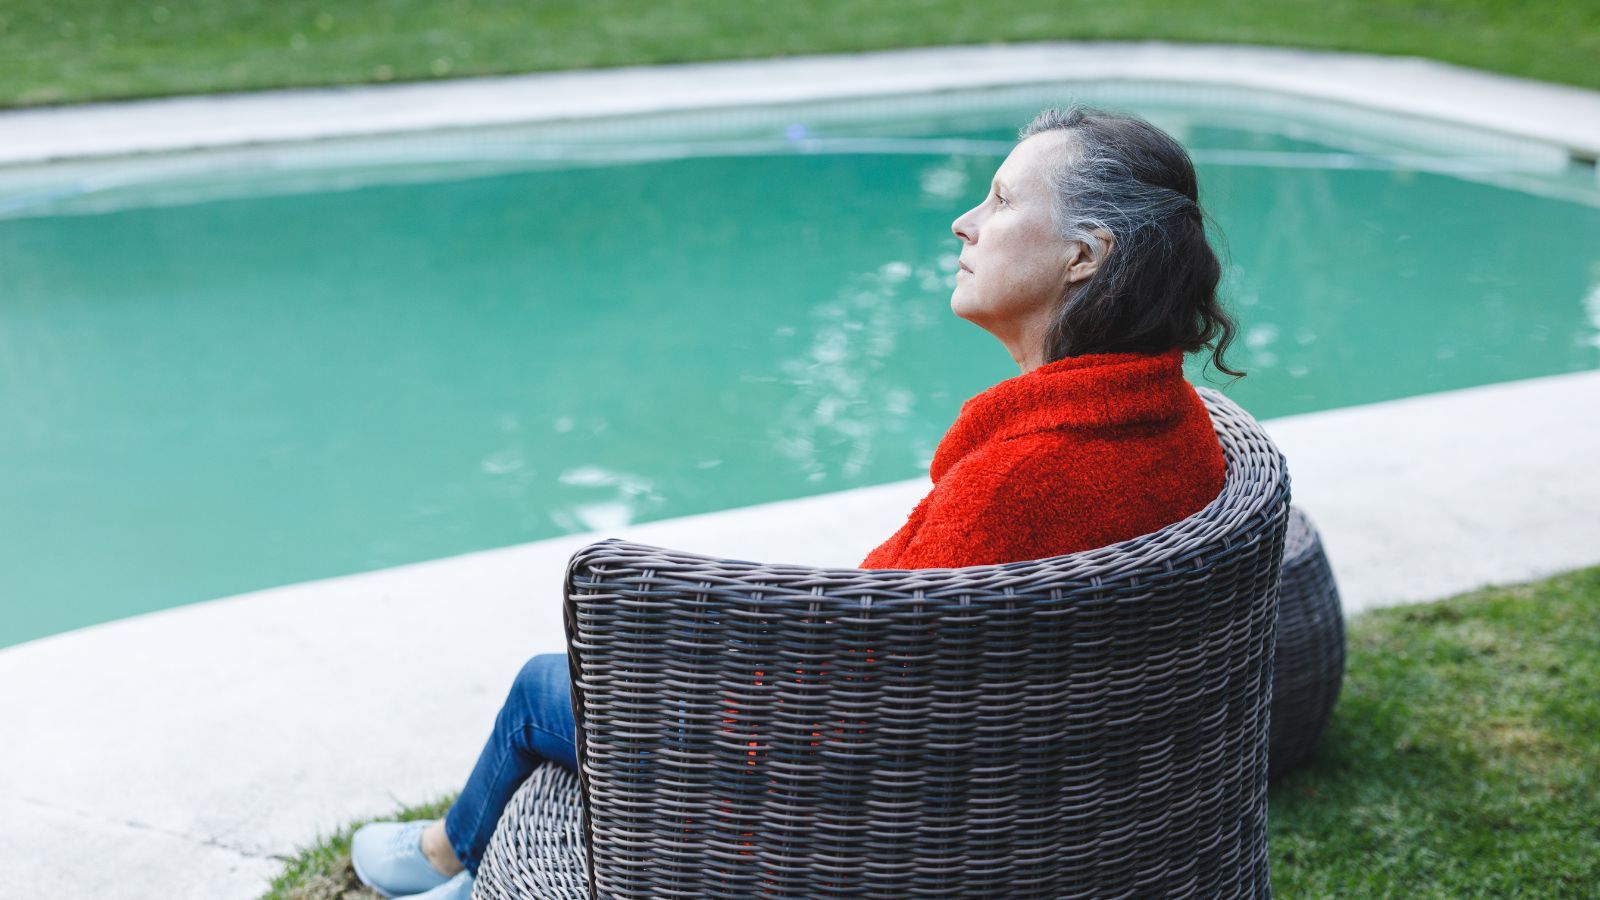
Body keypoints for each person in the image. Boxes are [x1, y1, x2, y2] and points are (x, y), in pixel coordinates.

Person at [349, 103, 1243, 898]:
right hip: (1055, 795)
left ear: (1085, 255)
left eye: (1003, 202)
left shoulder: (1021, 481)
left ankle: (441, 860)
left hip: (863, 818)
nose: (965, 223)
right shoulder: (1168, 427)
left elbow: (851, 694)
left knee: (549, 684)